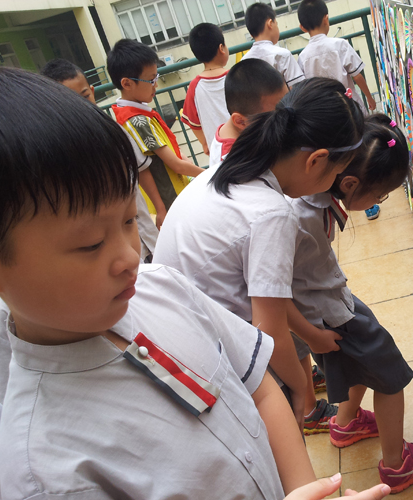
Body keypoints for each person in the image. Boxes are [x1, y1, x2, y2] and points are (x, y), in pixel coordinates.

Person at [0, 66, 320, 499]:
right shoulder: (44, 472)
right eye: (91, 244)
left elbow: (258, 389)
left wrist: (304, 489)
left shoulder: (162, 286)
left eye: (129, 220)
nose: (131, 256)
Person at [153, 78, 365, 431]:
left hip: (175, 346)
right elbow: (269, 330)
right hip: (212, 365)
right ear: (316, 160)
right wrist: (298, 391)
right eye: (338, 173)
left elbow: (269, 302)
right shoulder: (272, 213)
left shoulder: (226, 169)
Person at [289, 114, 413, 494]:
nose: (378, 202)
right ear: (349, 183)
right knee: (391, 375)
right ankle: (397, 465)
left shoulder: (311, 194)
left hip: (327, 305)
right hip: (329, 315)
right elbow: (276, 294)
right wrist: (310, 334)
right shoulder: (303, 217)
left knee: (355, 364)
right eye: (379, 195)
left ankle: (345, 424)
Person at [41, 58, 160, 258]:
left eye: (85, 96)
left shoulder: (116, 133)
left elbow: (141, 171)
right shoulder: (57, 155)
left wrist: (160, 208)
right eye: (70, 101)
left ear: (92, 91)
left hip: (147, 236)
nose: (81, 106)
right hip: (114, 253)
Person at [297, 0, 381, 221]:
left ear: (302, 27)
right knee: (360, 153)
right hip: (350, 110)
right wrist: (369, 97)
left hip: (324, 117)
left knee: (337, 158)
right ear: (326, 18)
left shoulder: (303, 56)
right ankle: (368, 204)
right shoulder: (340, 45)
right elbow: (357, 75)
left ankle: (343, 200)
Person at [108, 39, 204, 228]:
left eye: (156, 77)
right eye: (151, 80)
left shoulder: (138, 114)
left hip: (177, 196)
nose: (156, 85)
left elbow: (176, 155)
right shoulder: (137, 121)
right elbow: (176, 165)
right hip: (172, 202)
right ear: (127, 83)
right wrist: (209, 174)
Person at [208, 58, 288, 168]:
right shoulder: (235, 162)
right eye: (276, 117)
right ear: (240, 121)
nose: (286, 118)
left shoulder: (245, 129)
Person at [181, 23, 231, 154]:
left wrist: (205, 142)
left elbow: (192, 121)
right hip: (248, 145)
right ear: (221, 48)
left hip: (219, 153)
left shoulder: (194, 86)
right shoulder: (236, 76)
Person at [243, 3, 305, 89]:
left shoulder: (243, 62)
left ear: (251, 34)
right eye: (276, 23)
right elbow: (298, 90)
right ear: (270, 23)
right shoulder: (282, 55)